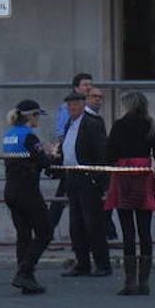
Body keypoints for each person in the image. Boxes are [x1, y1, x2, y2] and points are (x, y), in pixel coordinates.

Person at [104, 90, 155, 295]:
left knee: (127, 230)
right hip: (144, 177)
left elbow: (109, 153)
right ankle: (144, 282)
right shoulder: (151, 126)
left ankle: (129, 282)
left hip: (123, 177)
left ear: (127, 105)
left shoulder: (119, 125)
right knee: (144, 230)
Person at [1, 100, 57, 294]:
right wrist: (52, 154)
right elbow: (43, 163)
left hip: (11, 190)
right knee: (45, 232)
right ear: (31, 116)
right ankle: (24, 272)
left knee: (23, 235)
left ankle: (27, 279)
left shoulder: (8, 135)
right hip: (27, 190)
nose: (38, 120)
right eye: (37, 116)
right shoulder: (29, 137)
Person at [58, 90, 111, 277]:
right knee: (76, 224)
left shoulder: (92, 123)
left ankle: (102, 263)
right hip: (72, 176)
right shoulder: (69, 124)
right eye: (69, 105)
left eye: (76, 104)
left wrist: (103, 183)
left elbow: (101, 152)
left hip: (88, 176)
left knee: (93, 223)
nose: (72, 107)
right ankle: (82, 262)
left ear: (83, 104)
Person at [48, 73, 93, 234]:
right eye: (85, 84)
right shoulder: (68, 109)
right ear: (76, 88)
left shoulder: (90, 109)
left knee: (65, 196)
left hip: (82, 161)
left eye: (90, 84)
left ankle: (49, 229)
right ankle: (48, 229)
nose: (88, 87)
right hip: (72, 160)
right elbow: (61, 131)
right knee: (65, 195)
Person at [87, 87, 120, 242]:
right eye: (94, 96)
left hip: (102, 168)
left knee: (105, 205)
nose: (98, 100)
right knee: (102, 206)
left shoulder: (96, 119)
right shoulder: (88, 119)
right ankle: (107, 236)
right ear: (87, 98)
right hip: (96, 170)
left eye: (100, 97)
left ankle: (109, 235)